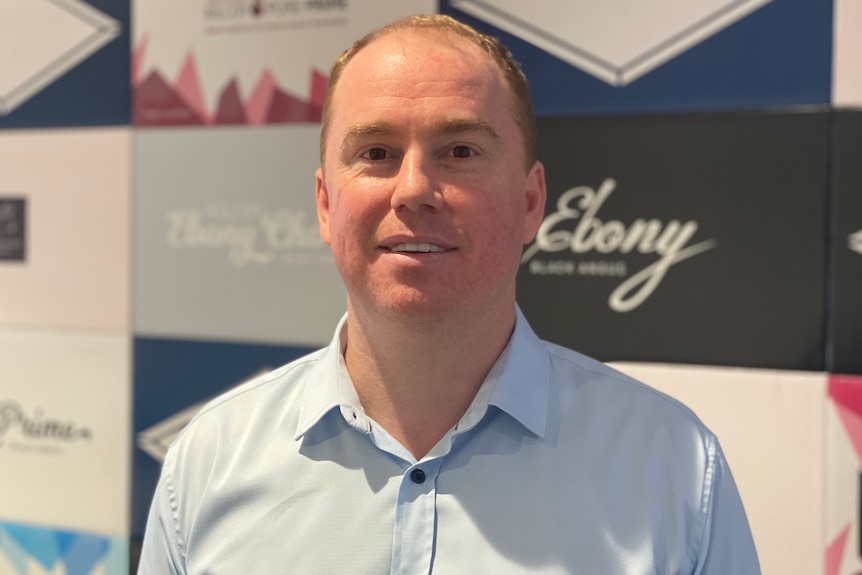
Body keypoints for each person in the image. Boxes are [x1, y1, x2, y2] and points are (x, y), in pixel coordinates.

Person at [138, 14, 761, 574]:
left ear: (530, 202)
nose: (413, 188)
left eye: (460, 151)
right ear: (326, 205)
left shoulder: (672, 466)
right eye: (376, 152)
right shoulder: (209, 460)